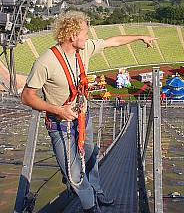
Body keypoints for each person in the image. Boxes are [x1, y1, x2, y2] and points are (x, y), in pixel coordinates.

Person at [21, 11, 156, 213]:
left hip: (84, 117)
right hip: (61, 123)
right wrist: (58, 109)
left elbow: (113, 41)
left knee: (91, 156)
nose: (88, 37)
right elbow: (27, 96)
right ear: (73, 36)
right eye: (85, 33)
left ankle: (96, 191)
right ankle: (90, 206)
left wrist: (140, 37)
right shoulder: (45, 62)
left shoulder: (83, 49)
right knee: (73, 173)